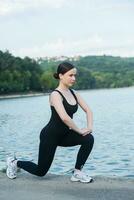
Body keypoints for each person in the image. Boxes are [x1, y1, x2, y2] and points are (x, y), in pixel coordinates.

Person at [6, 62, 94, 183]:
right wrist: (79, 130)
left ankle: (77, 172)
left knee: (88, 139)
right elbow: (64, 118)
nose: (74, 78)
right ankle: (14, 162)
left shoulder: (74, 93)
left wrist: (89, 127)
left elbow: (88, 110)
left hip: (65, 135)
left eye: (75, 75)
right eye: (70, 75)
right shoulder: (55, 95)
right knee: (40, 171)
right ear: (61, 75)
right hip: (50, 136)